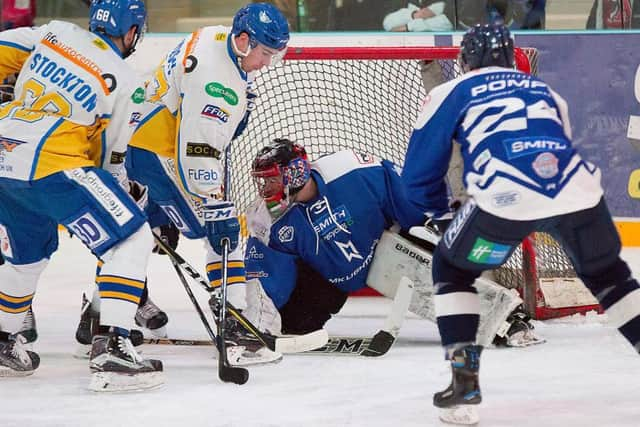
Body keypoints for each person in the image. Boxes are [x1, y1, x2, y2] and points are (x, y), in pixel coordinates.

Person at [402, 23, 640, 425]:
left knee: (452, 269)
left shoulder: (450, 90)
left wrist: (441, 215)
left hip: (504, 201)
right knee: (610, 276)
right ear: (512, 58)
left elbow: (418, 177)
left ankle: (464, 384)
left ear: (465, 60)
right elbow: (557, 145)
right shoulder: (545, 91)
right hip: (579, 193)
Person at [72, 3, 290, 366]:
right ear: (243, 41)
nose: (266, 63)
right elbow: (197, 152)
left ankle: (96, 322)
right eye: (265, 53)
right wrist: (213, 206)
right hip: (162, 155)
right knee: (225, 232)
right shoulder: (218, 83)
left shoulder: (215, 36)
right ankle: (234, 325)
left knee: (127, 237)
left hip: (133, 144)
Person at [240, 139, 541, 364]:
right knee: (294, 325)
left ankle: (508, 318)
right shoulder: (266, 220)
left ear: (294, 173)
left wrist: (424, 224)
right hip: (330, 278)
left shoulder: (349, 170)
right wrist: (255, 323)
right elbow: (269, 277)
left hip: (384, 245)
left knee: (435, 268)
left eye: (272, 178)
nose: (265, 187)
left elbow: (397, 188)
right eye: (262, 180)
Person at [0, 0, 165, 391]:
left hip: (4, 155)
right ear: (132, 32)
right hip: (53, 163)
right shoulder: (126, 81)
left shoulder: (53, 32)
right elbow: (111, 161)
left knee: (28, 256)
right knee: (131, 237)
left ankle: (3, 339)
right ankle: (113, 347)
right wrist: (122, 200)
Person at [383, 1, 453, 32]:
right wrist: (414, 15)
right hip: (410, 48)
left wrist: (409, 27)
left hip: (441, 46)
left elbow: (449, 23)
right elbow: (387, 24)